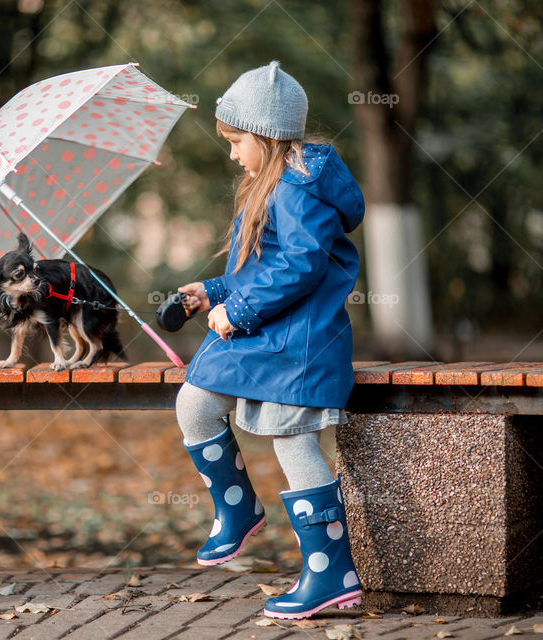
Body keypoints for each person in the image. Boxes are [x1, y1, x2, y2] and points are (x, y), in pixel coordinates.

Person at [174, 61, 365, 619]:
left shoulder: (300, 186)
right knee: (194, 400)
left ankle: (332, 574)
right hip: (271, 336)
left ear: (266, 135)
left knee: (293, 441)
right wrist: (213, 293)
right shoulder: (271, 184)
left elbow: (303, 265)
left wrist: (240, 310)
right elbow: (261, 268)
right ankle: (236, 510)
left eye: (236, 141)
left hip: (300, 346)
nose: (232, 153)